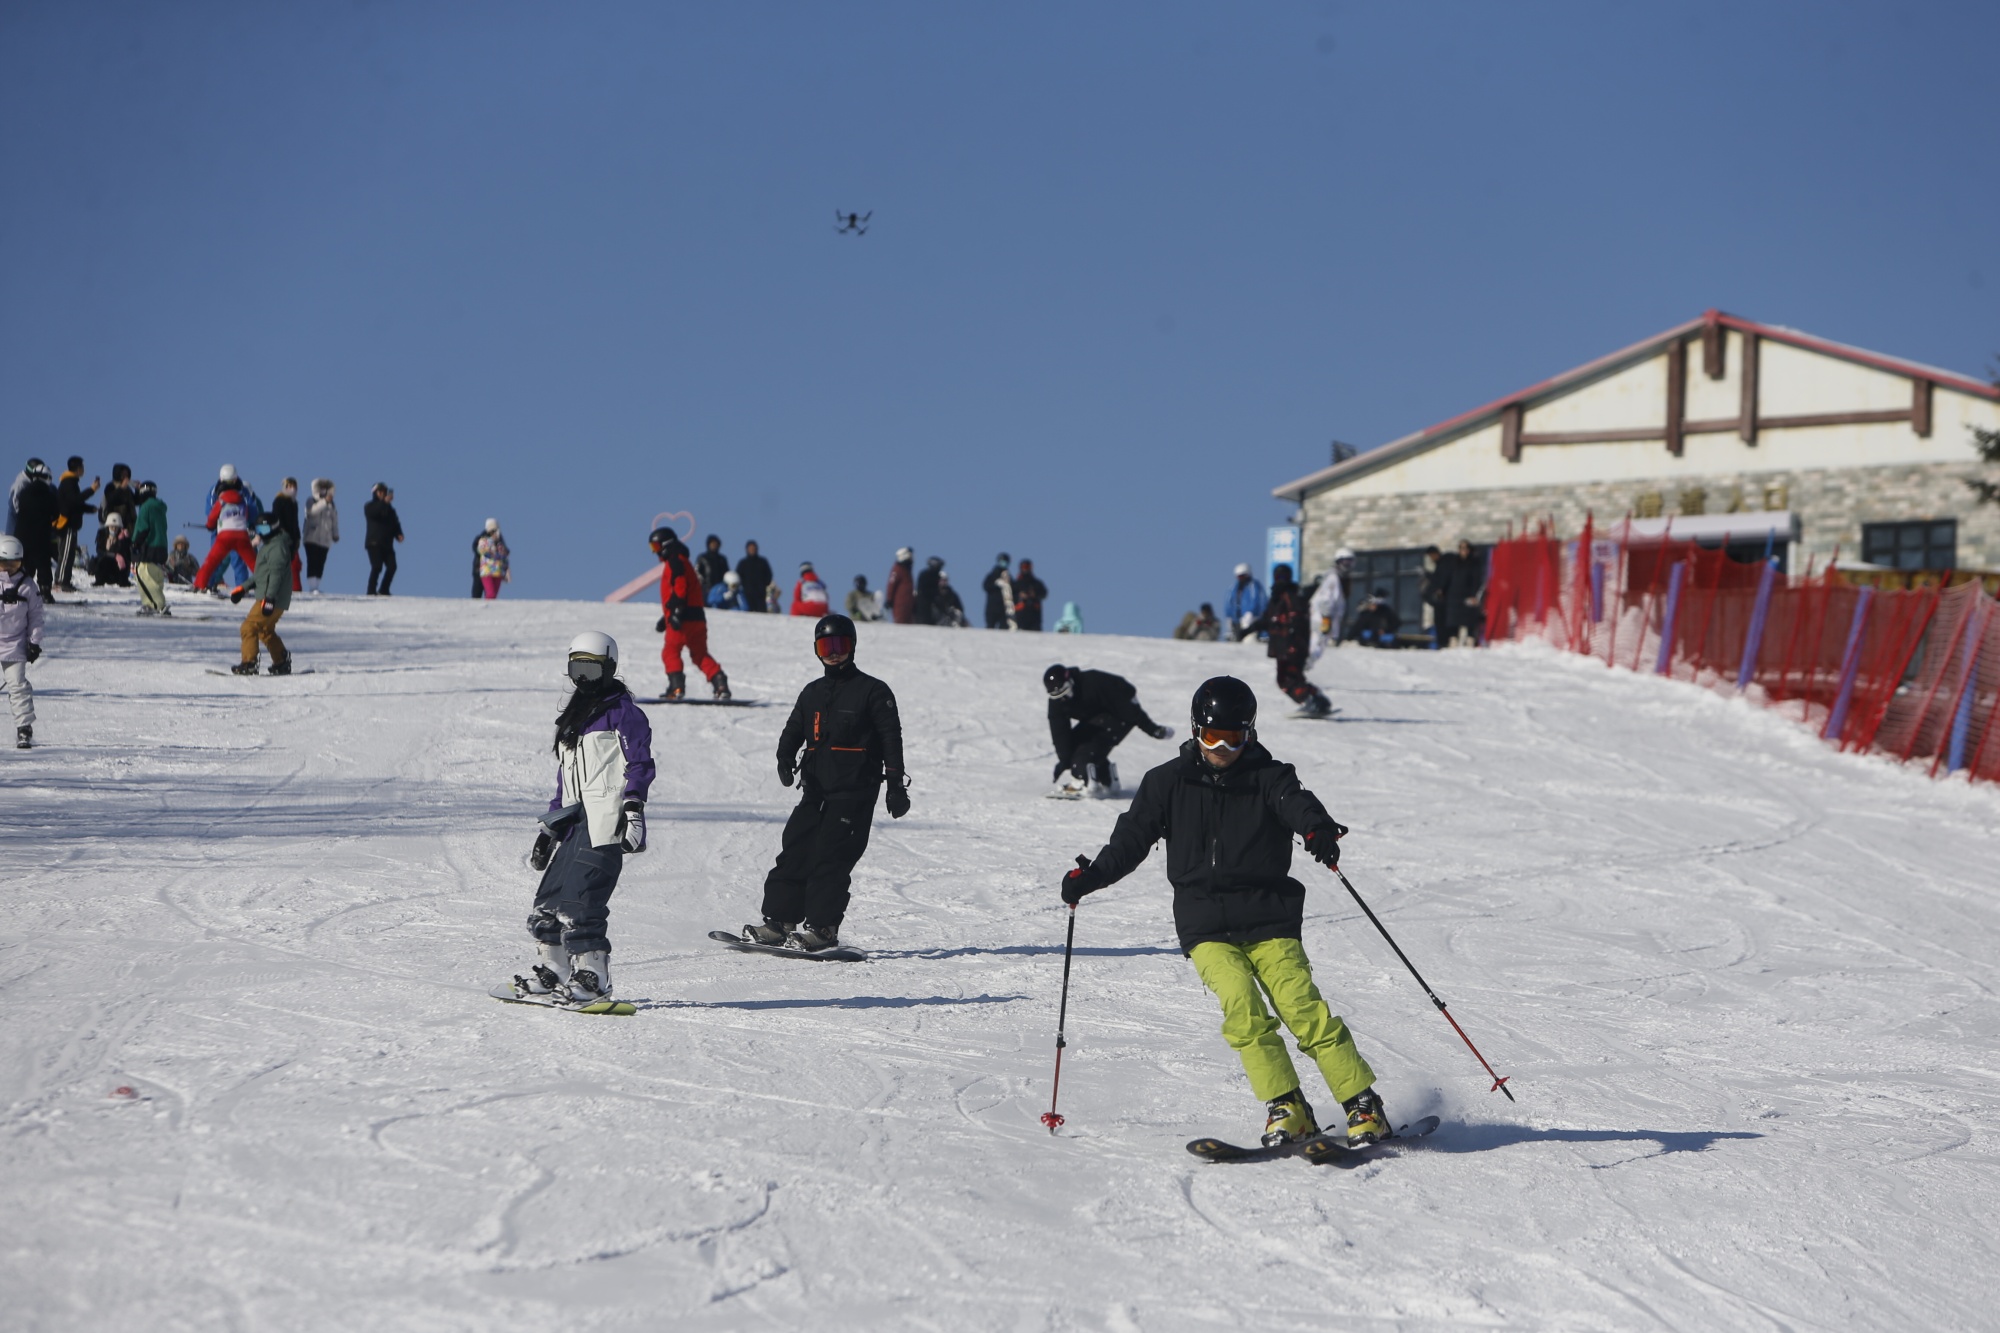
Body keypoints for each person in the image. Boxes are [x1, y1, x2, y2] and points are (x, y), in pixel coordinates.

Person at [1057, 675, 1389, 1149]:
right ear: (1196, 730)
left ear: (1249, 733)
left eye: (1234, 737)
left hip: (1268, 917)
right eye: (1213, 736)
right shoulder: (1165, 783)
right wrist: (1090, 878)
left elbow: (1298, 805)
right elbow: (1129, 841)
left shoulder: (1268, 777)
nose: (1223, 748)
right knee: (1243, 1010)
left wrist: (1317, 830)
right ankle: (1288, 1106)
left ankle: (1363, 1104)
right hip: (1205, 923)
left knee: (1302, 1009)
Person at [741, 614, 907, 953]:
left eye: (840, 645)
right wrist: (785, 758)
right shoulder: (812, 692)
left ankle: (822, 928)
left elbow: (891, 739)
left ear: (852, 647)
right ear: (817, 650)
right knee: (795, 848)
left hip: (854, 791)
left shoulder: (873, 691)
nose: (833, 653)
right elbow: (793, 730)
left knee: (831, 856)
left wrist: (895, 785)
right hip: (815, 788)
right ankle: (779, 921)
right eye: (826, 646)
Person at [514, 631, 654, 1007]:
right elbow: (565, 780)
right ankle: (553, 973)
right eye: (577, 668)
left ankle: (594, 978)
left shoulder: (624, 714)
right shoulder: (575, 718)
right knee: (548, 901)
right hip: (574, 824)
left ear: (609, 667)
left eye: (590, 669)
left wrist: (633, 809)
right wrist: (550, 827)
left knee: (583, 902)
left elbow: (639, 765)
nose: (582, 679)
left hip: (605, 823)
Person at [1044, 664, 1173, 798]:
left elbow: (1129, 708)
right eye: (1057, 695)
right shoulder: (1057, 702)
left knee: (1085, 750)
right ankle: (1106, 779)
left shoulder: (1093, 682)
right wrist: (1065, 760)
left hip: (1121, 714)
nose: (1063, 698)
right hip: (1098, 717)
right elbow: (1060, 733)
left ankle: (1083, 781)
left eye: (1065, 692)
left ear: (1070, 682)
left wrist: (1152, 729)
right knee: (1073, 743)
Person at [651, 527, 729, 699]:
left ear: (665, 545)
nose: (655, 552)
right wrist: (665, 618)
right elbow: (686, 593)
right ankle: (720, 683)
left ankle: (676, 687)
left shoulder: (675, 562)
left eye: (656, 547)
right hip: (697, 618)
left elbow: (680, 587)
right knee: (699, 654)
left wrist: (676, 612)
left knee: (670, 651)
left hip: (683, 618)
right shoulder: (683, 561)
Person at [1248, 564, 1330, 717]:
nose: (1281, 581)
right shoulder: (1276, 598)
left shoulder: (1291, 595)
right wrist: (1249, 629)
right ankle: (1316, 699)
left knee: (1286, 678)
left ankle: (1309, 700)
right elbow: (1267, 620)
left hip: (1291, 646)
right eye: (1278, 577)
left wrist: (1295, 640)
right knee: (1292, 677)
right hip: (1283, 646)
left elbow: (1298, 618)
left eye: (1284, 577)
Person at [229, 515, 295, 676]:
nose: (261, 533)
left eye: (264, 529)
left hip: (271, 597)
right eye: (259, 530)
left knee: (249, 627)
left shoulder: (277, 547)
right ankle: (281, 661)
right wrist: (243, 589)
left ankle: (249, 662)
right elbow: (261, 575)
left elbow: (276, 574)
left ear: (274, 528)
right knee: (265, 630)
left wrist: (270, 598)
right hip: (273, 598)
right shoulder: (270, 546)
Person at [1, 534, 46, 749]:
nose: (8, 569)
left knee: (17, 685)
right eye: (3, 564)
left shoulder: (28, 586)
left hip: (15, 645)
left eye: (14, 564)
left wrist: (34, 643)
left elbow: (36, 617)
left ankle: (24, 728)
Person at [193, 471, 256, 593]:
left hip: (224, 536)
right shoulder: (243, 500)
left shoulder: (221, 501)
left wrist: (210, 526)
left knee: (212, 561)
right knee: (252, 562)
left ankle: (200, 584)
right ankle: (261, 585)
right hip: (242, 536)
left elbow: (211, 518)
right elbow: (253, 514)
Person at [54, 457, 100, 592]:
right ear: (78, 468)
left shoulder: (70, 482)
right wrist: (92, 490)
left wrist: (90, 509)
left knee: (68, 554)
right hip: (66, 524)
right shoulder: (68, 482)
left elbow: (75, 504)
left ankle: (64, 580)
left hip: (69, 524)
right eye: (82, 467)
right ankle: (61, 581)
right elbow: (74, 501)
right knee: (66, 554)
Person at [13, 461, 58, 598]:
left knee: (24, 566)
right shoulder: (49, 494)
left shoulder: (24, 491)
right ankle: (45, 591)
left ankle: (19, 590)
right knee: (43, 565)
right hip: (40, 537)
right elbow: (55, 513)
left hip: (21, 537)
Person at [132, 481, 171, 616]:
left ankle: (156, 604)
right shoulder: (160, 507)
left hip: (149, 545)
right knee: (155, 576)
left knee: (143, 574)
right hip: (161, 545)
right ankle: (152, 604)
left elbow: (143, 527)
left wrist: (136, 543)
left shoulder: (146, 507)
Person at [1308, 549, 1351, 664]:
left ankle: (1302, 670)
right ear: (1338, 562)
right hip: (1322, 619)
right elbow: (1325, 598)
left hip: (1328, 619)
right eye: (1345, 562)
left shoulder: (1342, 578)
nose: (1347, 565)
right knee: (1316, 644)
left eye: (1350, 562)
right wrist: (1326, 618)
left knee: (1320, 646)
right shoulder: (1333, 577)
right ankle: (1299, 670)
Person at [1444, 539, 1487, 646]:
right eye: (1461, 548)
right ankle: (1453, 639)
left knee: (1470, 619)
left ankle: (1470, 639)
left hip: (1468, 594)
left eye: (1466, 548)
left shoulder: (1474, 563)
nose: (1464, 551)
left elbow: (1476, 580)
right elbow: (1448, 578)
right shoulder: (1454, 563)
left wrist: (1474, 595)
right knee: (1453, 620)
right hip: (1454, 595)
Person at [364, 483, 402, 595]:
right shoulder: (369, 506)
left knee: (392, 566)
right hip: (374, 542)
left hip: (387, 544)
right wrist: (384, 503)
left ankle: (384, 589)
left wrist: (399, 534)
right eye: (379, 492)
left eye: (384, 492)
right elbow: (373, 513)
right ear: (375, 493)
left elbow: (395, 524)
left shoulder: (390, 510)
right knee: (377, 566)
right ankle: (371, 591)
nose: (382, 494)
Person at [302, 480, 338, 594]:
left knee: (321, 562)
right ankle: (312, 586)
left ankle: (317, 585)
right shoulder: (311, 500)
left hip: (325, 539)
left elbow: (334, 520)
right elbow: (311, 511)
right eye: (321, 488)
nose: (324, 490)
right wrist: (324, 502)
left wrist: (335, 534)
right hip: (311, 537)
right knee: (312, 561)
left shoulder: (332, 504)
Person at [270, 478, 303, 593]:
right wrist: (282, 533)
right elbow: (277, 518)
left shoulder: (294, 503)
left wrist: (298, 537)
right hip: (282, 538)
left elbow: (295, 522)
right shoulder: (279, 501)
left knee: (295, 564)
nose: (292, 489)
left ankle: (296, 589)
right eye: (289, 486)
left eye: (294, 486)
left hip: (292, 539)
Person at [1223, 563, 1267, 641]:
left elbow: (1257, 599)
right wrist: (1229, 617)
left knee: (1249, 639)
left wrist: (1251, 613)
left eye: (1243, 576)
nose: (1241, 578)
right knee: (1235, 639)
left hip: (1250, 619)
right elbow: (1229, 602)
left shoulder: (1253, 586)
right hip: (1236, 619)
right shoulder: (1234, 588)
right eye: (1239, 576)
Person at [89, 513, 132, 587]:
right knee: (100, 560)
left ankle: (123, 581)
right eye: (112, 527)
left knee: (123, 560)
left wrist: (122, 540)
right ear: (108, 526)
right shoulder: (102, 534)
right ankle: (99, 581)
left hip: (117, 569)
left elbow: (125, 552)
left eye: (116, 527)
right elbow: (99, 550)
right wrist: (113, 555)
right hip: (104, 565)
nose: (114, 529)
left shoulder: (124, 536)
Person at [736, 540, 774, 615]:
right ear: (747, 549)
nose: (752, 550)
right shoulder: (743, 563)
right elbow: (738, 576)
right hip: (747, 593)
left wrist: (765, 584)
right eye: (750, 548)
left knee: (762, 614)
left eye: (753, 548)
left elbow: (769, 574)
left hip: (760, 593)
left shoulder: (762, 561)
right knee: (747, 614)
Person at [477, 518, 511, 599]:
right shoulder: (484, 541)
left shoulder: (500, 545)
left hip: (497, 572)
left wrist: (506, 571)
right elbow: (481, 550)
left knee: (494, 595)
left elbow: (504, 558)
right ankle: (487, 608)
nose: (496, 534)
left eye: (497, 532)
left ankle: (491, 609)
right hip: (487, 571)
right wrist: (491, 551)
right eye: (493, 532)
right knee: (491, 593)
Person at [982, 553, 1016, 630]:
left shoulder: (1009, 577)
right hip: (992, 607)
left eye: (1005, 562)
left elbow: (1014, 591)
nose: (1003, 564)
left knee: (1004, 629)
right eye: (1002, 561)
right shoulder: (992, 575)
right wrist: (996, 585)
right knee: (990, 627)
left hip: (1004, 608)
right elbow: (986, 586)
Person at [1013, 558, 1047, 631]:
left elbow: (1044, 593)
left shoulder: (1036, 583)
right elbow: (1009, 597)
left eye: (1028, 567)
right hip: (1020, 616)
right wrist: (1020, 595)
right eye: (1024, 567)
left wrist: (1035, 594)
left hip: (1034, 615)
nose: (1026, 569)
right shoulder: (1016, 584)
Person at [884, 547, 915, 624]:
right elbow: (891, 585)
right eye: (910, 556)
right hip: (900, 604)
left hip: (909, 604)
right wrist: (889, 599)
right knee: (901, 622)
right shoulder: (897, 569)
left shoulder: (907, 571)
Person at [914, 555, 945, 624]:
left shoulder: (934, 576)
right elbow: (925, 590)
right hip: (925, 605)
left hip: (930, 605)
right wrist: (936, 596)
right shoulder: (927, 575)